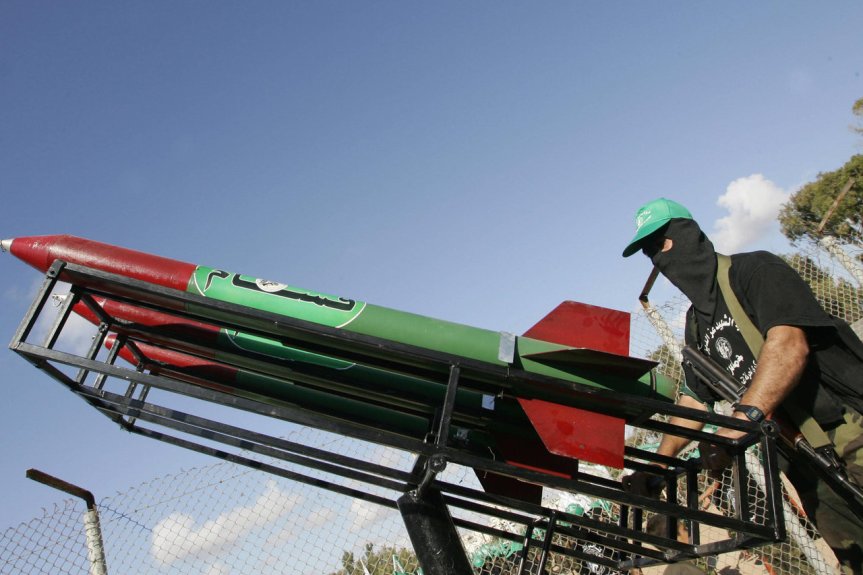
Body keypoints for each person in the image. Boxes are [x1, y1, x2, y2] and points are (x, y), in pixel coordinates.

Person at [620, 198, 863, 575]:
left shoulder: (754, 270)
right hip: (802, 461)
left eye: (661, 242)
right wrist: (656, 464)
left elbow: (788, 344)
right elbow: (695, 401)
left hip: (847, 429)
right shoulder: (695, 327)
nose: (658, 256)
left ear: (690, 234)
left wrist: (740, 421)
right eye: (649, 251)